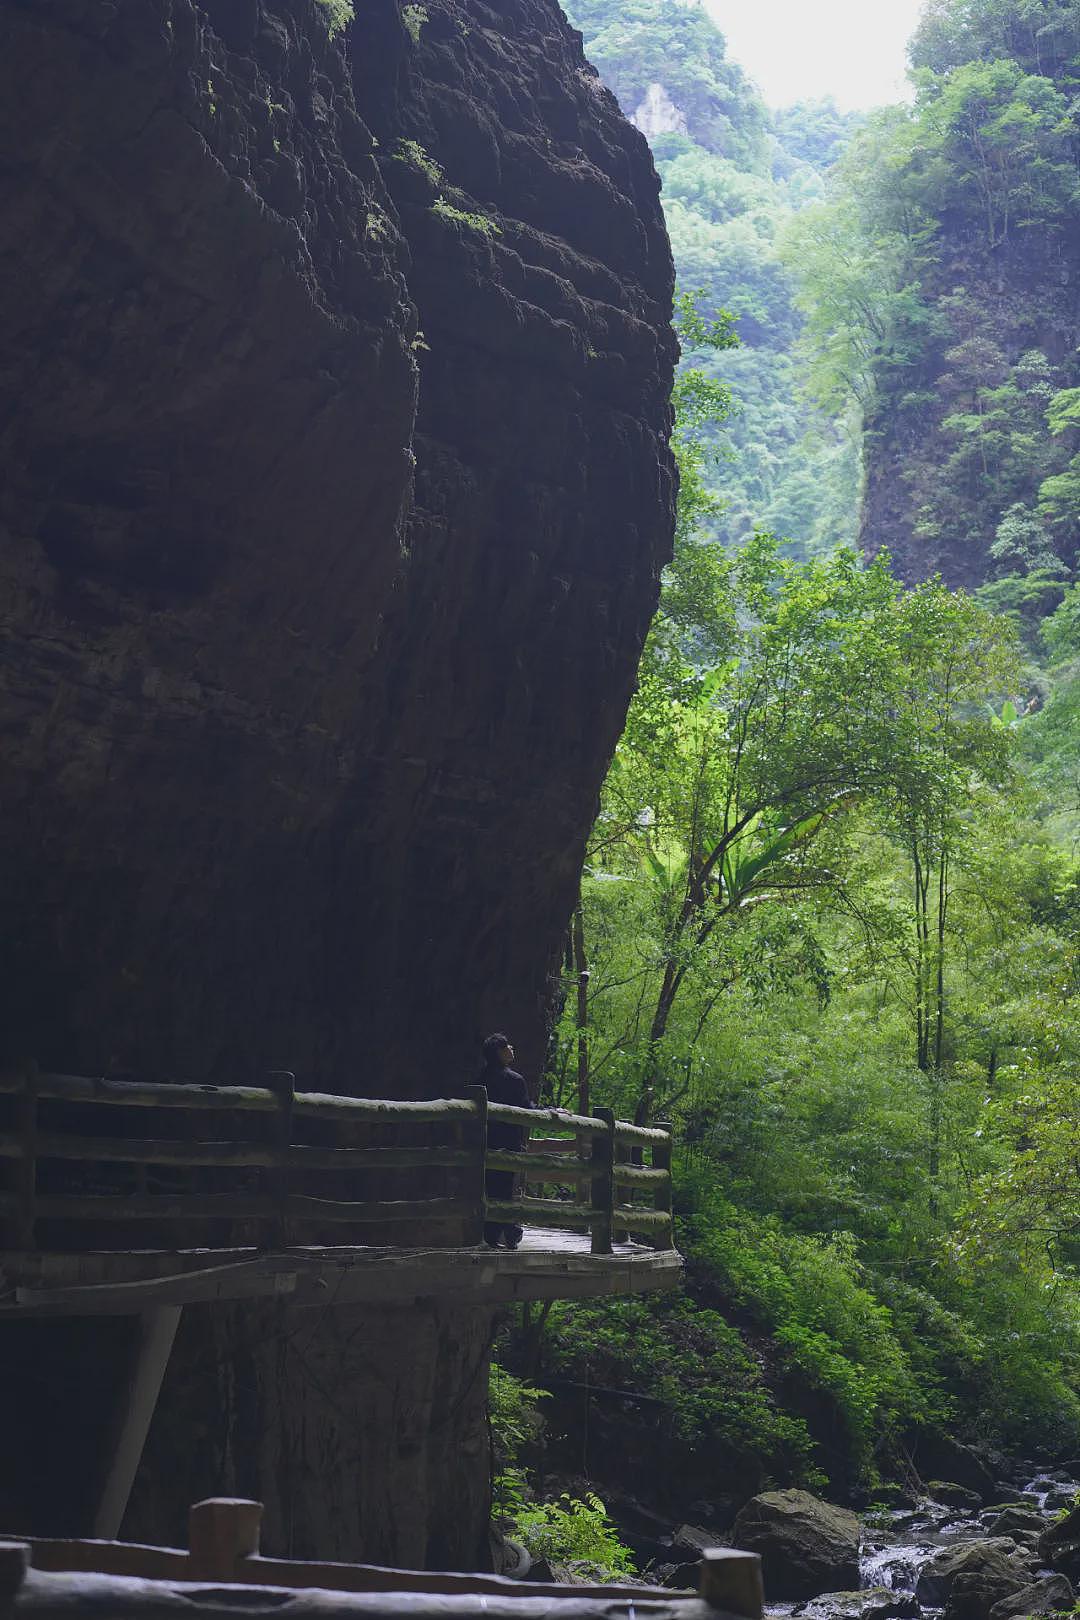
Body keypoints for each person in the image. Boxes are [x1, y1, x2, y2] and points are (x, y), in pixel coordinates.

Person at [478, 1032, 531, 1249]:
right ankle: (510, 1232)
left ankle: (492, 1233)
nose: (512, 1048)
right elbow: (526, 1109)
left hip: (485, 1140)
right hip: (508, 1141)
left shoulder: (480, 1079)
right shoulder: (515, 1080)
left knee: (489, 1186)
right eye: (507, 1046)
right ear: (499, 1052)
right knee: (506, 1188)